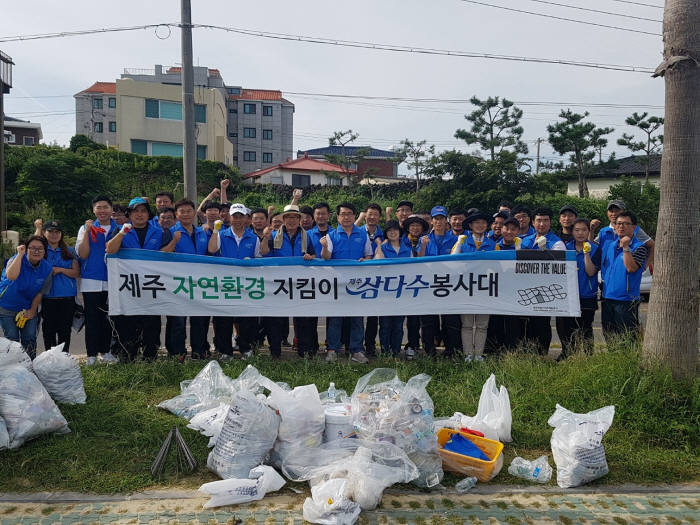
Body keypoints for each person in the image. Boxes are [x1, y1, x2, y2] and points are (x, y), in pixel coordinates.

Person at [106, 197, 174, 361]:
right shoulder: (121, 230)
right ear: (129, 214)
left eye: (143, 211)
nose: (140, 214)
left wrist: (175, 240)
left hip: (152, 286)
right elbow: (110, 250)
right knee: (128, 324)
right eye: (135, 211)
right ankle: (128, 357)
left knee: (152, 325)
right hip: (129, 288)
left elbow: (166, 254)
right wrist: (122, 232)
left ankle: (150, 357)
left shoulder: (160, 232)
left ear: (148, 214)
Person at [261, 204, 317, 358]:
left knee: (303, 319)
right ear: (284, 219)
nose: (291, 220)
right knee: (276, 319)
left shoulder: (307, 236)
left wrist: (310, 257)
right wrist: (265, 239)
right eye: (288, 217)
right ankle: (275, 351)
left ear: (299, 219)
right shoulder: (273, 236)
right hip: (279, 284)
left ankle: (304, 352)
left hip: (300, 284)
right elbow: (264, 253)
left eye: (295, 217)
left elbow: (313, 255)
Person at [320, 202, 373, 364]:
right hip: (337, 285)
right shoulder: (331, 236)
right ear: (337, 217)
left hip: (357, 284)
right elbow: (326, 258)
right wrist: (323, 247)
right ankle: (332, 350)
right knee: (336, 319)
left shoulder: (363, 235)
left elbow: (369, 255)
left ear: (354, 216)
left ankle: (357, 350)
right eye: (343, 214)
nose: (346, 217)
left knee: (357, 319)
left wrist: (366, 260)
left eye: (350, 213)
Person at [208, 203, 261, 360]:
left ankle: (245, 348)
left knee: (246, 319)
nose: (237, 220)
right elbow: (211, 250)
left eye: (240, 216)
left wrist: (250, 262)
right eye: (234, 216)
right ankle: (226, 351)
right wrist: (215, 231)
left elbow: (258, 259)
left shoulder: (253, 237)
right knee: (224, 319)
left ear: (246, 218)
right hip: (224, 284)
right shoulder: (221, 234)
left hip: (246, 285)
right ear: (229, 217)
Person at [166, 199, 212, 361]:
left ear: (194, 213)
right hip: (178, 283)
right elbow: (162, 255)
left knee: (200, 319)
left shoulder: (203, 232)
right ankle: (178, 353)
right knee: (178, 321)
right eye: (182, 211)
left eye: (188, 211)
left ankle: (199, 351)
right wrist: (174, 241)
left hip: (200, 283)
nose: (186, 214)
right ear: (176, 215)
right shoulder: (170, 232)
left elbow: (210, 253)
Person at [76, 195, 120, 365]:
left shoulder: (119, 228)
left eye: (105, 207)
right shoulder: (85, 228)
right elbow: (83, 254)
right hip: (91, 280)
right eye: (98, 207)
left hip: (113, 279)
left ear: (111, 210)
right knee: (93, 319)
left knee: (108, 318)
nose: (102, 211)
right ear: (93, 210)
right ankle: (92, 355)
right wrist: (88, 231)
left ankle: (106, 351)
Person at [452, 211, 496, 361]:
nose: (480, 225)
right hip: (465, 287)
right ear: (470, 225)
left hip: (485, 288)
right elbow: (452, 260)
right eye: (477, 223)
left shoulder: (492, 244)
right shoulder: (463, 241)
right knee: (467, 324)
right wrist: (459, 243)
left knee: (482, 325)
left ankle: (478, 355)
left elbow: (498, 267)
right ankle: (468, 354)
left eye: (483, 223)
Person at [520, 208, 565, 355]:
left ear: (551, 222)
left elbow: (559, 267)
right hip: (525, 289)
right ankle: (526, 354)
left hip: (544, 291)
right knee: (526, 324)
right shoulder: (524, 240)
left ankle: (541, 355)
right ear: (533, 222)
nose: (542, 224)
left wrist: (545, 250)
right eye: (539, 220)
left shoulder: (557, 242)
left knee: (542, 323)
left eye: (545, 220)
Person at [0, 236, 52, 359]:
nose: (36, 251)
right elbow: (11, 276)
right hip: (7, 306)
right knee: (12, 339)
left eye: (40, 248)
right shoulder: (16, 259)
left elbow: (41, 292)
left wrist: (32, 310)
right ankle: (13, 369)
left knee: (29, 337)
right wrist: (19, 255)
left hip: (28, 307)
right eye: (32, 248)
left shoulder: (47, 268)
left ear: (45, 251)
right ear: (26, 249)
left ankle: (30, 368)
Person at [556, 218, 600, 359]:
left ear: (589, 231)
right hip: (568, 296)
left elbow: (591, 272)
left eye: (584, 230)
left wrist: (586, 253)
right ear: (572, 232)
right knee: (567, 329)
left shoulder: (595, 249)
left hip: (587, 296)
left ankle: (588, 357)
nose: (580, 233)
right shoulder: (566, 248)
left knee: (585, 328)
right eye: (577, 230)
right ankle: (568, 355)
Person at [601, 211, 647, 340]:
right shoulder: (611, 245)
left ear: (633, 227)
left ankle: (630, 360)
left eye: (626, 224)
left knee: (627, 337)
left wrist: (626, 247)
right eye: (618, 223)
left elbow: (631, 268)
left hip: (626, 300)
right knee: (610, 335)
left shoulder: (639, 247)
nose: (621, 226)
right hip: (608, 297)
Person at [420, 206, 460, 358]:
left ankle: (451, 350)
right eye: (436, 218)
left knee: (450, 319)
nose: (439, 221)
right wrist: (423, 245)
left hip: (449, 284)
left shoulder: (455, 240)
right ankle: (429, 350)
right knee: (429, 320)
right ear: (431, 221)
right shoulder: (425, 239)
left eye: (441, 218)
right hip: (428, 284)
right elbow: (418, 259)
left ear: (446, 221)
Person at [40, 221, 79, 354]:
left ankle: (63, 358)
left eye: (57, 232)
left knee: (65, 330)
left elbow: (76, 273)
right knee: (48, 330)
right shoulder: (41, 251)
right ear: (44, 233)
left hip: (67, 297)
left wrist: (61, 270)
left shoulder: (70, 251)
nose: (54, 234)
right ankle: (50, 357)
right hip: (47, 297)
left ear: (61, 234)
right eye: (50, 231)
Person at [373, 220, 411, 356]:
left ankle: (396, 350)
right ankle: (385, 351)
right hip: (385, 292)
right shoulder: (382, 248)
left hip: (402, 291)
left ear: (400, 232)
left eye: (395, 230)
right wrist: (378, 245)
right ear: (386, 234)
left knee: (398, 325)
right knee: (385, 324)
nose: (393, 232)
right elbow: (378, 264)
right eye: (389, 231)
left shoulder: (407, 248)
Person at [488, 217, 524, 352]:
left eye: (513, 229)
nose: (509, 232)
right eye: (506, 228)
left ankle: (511, 351)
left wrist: (519, 248)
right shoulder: (494, 246)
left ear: (518, 231)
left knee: (512, 322)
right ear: (501, 229)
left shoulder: (522, 246)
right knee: (496, 322)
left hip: (514, 292)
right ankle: (495, 349)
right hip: (496, 290)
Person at [356, 203, 384, 355]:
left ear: (379, 217)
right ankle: (355, 345)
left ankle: (370, 344)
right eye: (369, 214)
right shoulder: (357, 231)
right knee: (357, 315)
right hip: (358, 278)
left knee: (374, 315)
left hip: (377, 279)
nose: (372, 217)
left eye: (375, 214)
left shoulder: (384, 234)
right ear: (365, 215)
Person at [400, 214, 430, 359]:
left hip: (423, 283)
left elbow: (424, 261)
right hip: (406, 284)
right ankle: (411, 345)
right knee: (410, 319)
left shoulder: (427, 241)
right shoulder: (401, 241)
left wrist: (423, 246)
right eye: (412, 226)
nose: (415, 228)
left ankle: (423, 345)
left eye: (418, 225)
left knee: (422, 318)